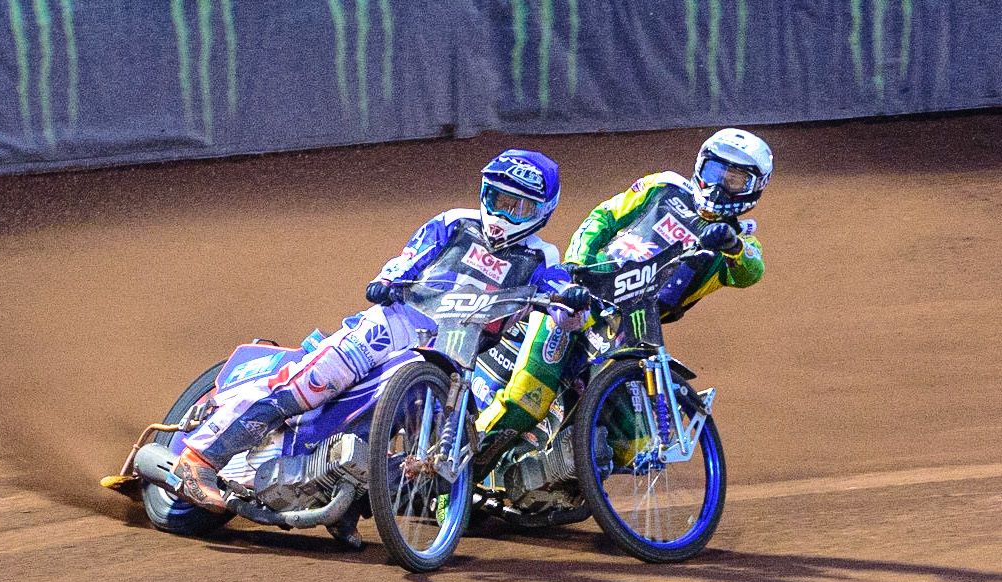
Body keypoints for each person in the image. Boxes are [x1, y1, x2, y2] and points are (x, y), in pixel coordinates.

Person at [170, 149, 589, 533]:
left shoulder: (542, 258)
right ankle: (200, 459)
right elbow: (411, 255)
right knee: (310, 383)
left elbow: (562, 300)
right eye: (498, 201)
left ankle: (345, 499)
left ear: (543, 212)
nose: (504, 215)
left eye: (519, 208)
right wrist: (389, 278)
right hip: (395, 324)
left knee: (436, 454)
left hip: (455, 357)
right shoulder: (454, 222)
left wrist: (572, 306)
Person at [476, 128, 772, 447]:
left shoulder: (739, 243)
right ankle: (458, 472)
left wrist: (731, 244)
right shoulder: (665, 186)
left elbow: (751, 270)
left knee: (635, 438)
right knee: (528, 398)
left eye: (734, 180)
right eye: (715, 172)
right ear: (701, 166)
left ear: (753, 189)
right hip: (587, 294)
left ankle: (567, 476)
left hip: (633, 327)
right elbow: (603, 217)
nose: (718, 186)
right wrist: (577, 265)